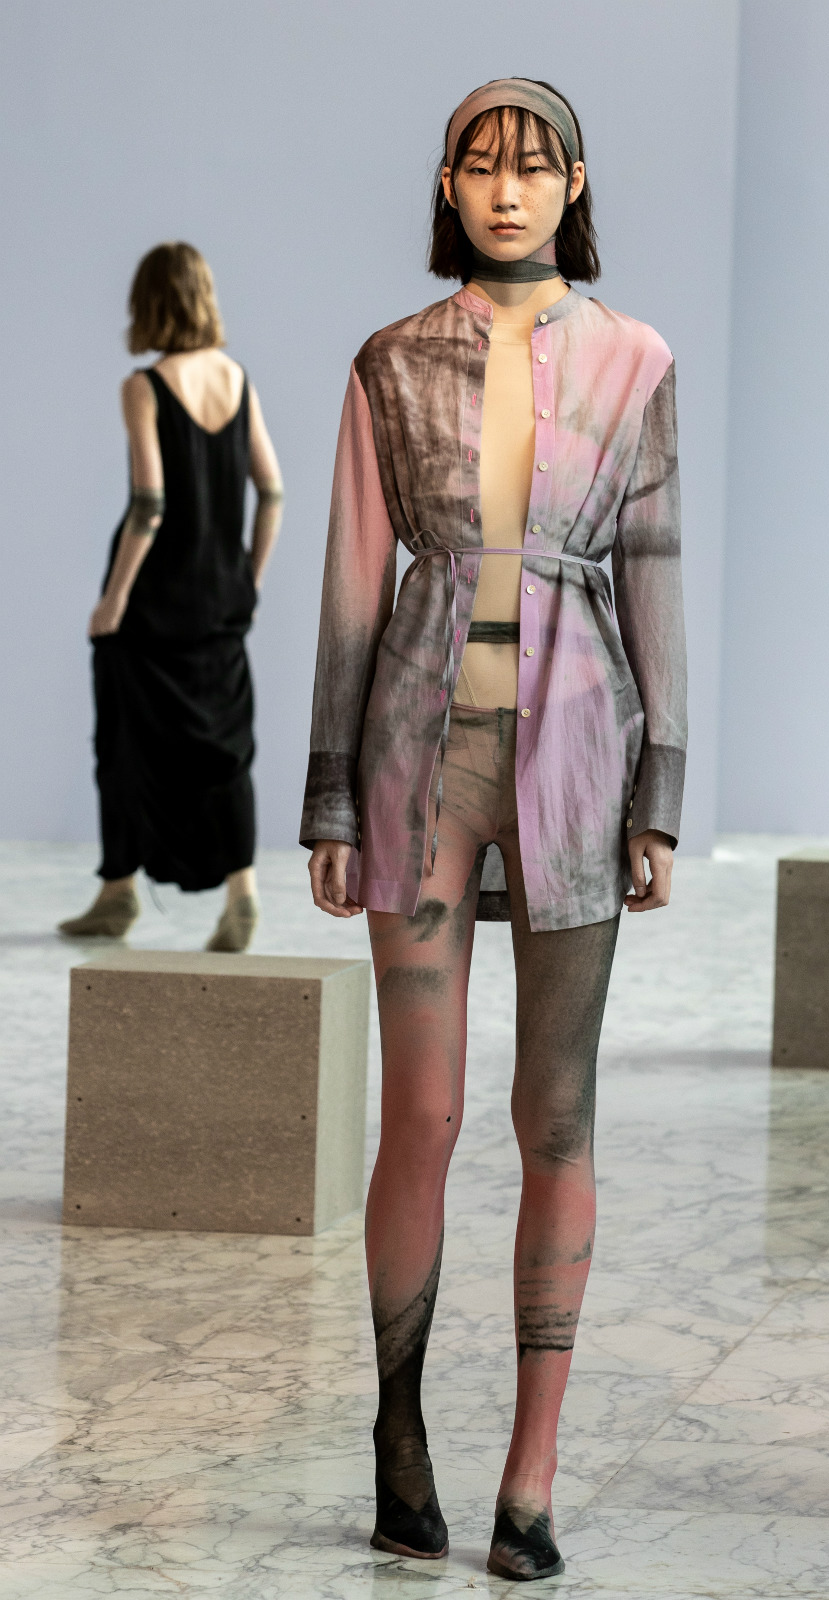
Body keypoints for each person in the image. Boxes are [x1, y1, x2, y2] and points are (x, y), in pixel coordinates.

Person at [303, 79, 685, 1581]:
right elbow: (352, 584)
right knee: (421, 1114)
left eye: (532, 166)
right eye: (480, 164)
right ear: (448, 185)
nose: (506, 189)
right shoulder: (389, 361)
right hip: (417, 763)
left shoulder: (636, 359)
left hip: (582, 760)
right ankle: (398, 1432)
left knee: (556, 1119)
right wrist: (331, 794)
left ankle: (532, 1473)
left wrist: (662, 793)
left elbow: (653, 569)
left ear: (573, 183)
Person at [59, 242, 284, 952]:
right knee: (225, 749)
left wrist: (114, 600)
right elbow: (273, 491)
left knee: (125, 743)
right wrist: (250, 578)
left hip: (153, 602)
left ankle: (119, 892)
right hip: (220, 598)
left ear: (149, 303)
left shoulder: (144, 386)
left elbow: (150, 503)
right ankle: (241, 897)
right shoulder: (237, 378)